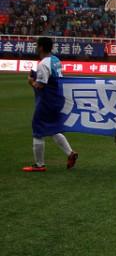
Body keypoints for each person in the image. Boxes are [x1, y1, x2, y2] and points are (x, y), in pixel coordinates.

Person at [23, 37, 79, 172]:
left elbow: (40, 85)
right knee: (53, 129)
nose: (36, 47)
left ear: (41, 47)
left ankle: (39, 165)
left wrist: (31, 81)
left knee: (38, 131)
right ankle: (70, 153)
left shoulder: (43, 63)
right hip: (57, 99)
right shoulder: (55, 60)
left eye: (37, 45)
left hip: (47, 101)